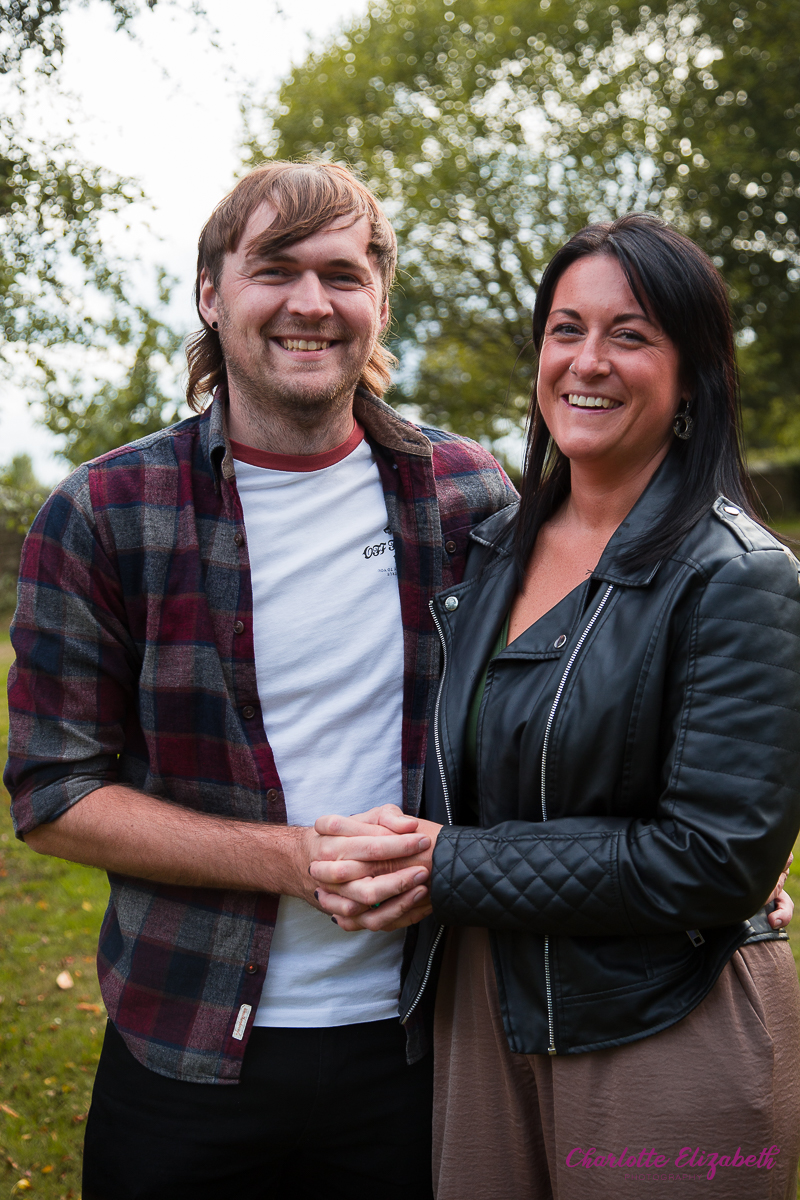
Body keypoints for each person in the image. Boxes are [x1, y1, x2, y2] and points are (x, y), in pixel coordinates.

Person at [4, 160, 517, 1200]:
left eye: (341, 272)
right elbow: (53, 796)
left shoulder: (468, 493)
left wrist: (694, 886)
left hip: (421, 1040)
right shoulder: (104, 511)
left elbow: (545, 720)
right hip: (183, 1040)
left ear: (378, 299)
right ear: (210, 293)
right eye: (274, 269)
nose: (310, 303)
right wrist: (290, 860)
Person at [309, 214, 800, 1200]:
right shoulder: (489, 551)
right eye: (565, 329)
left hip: (661, 1018)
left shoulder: (738, 577)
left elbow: (711, 859)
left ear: (690, 375)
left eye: (629, 334)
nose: (588, 361)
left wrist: (445, 865)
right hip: (484, 1016)